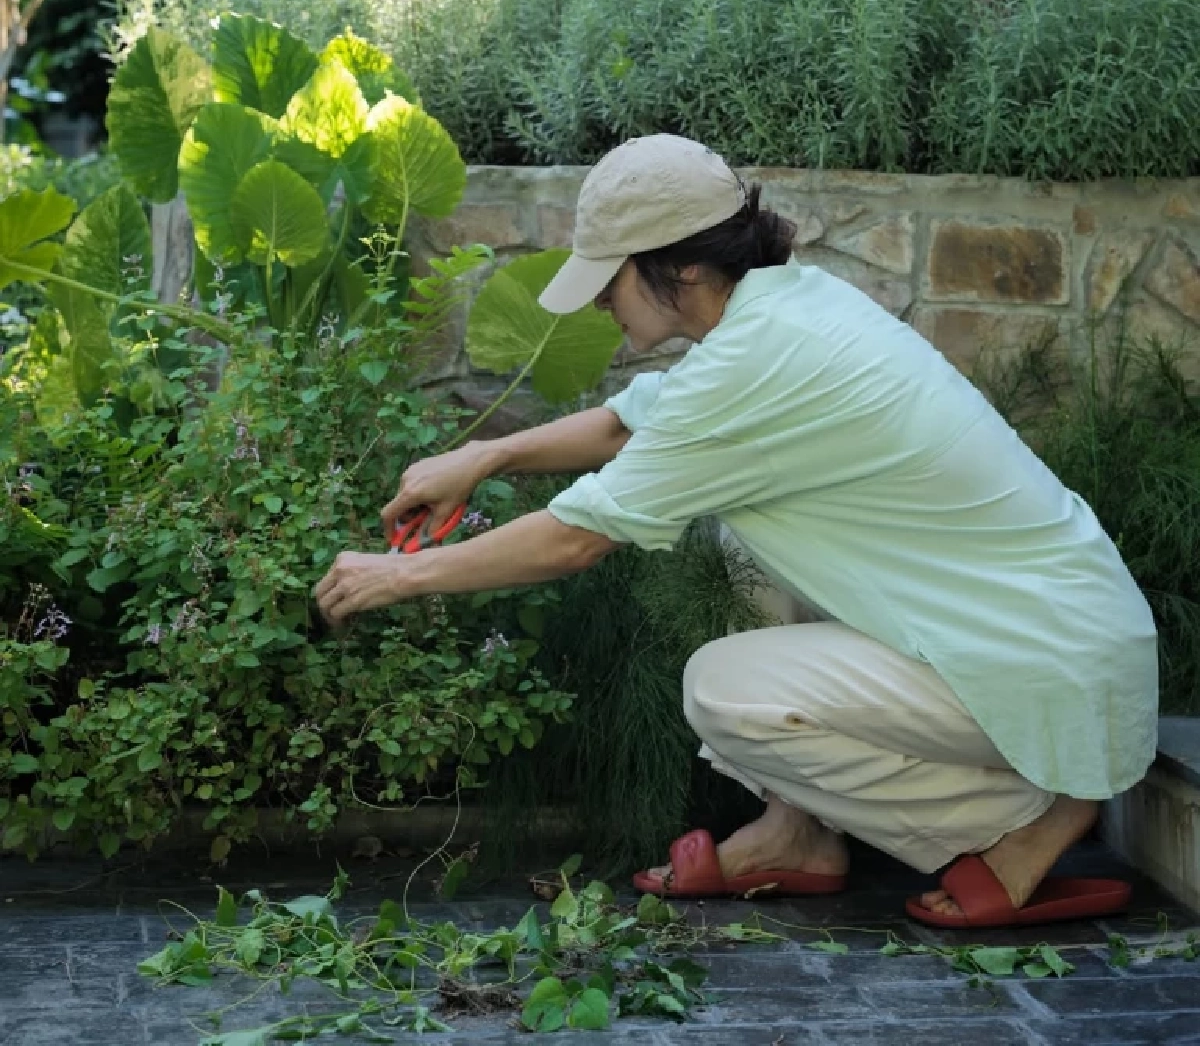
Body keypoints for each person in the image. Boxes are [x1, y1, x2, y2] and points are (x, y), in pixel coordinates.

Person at [314, 134, 1159, 929]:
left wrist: (396, 577)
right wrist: (487, 455)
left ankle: (1032, 818)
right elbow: (629, 423)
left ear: (680, 264)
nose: (602, 300)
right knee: (741, 543)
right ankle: (799, 832)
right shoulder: (785, 310)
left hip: (1050, 663)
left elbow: (578, 538)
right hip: (1049, 635)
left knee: (727, 692)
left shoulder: (759, 360)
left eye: (611, 279)